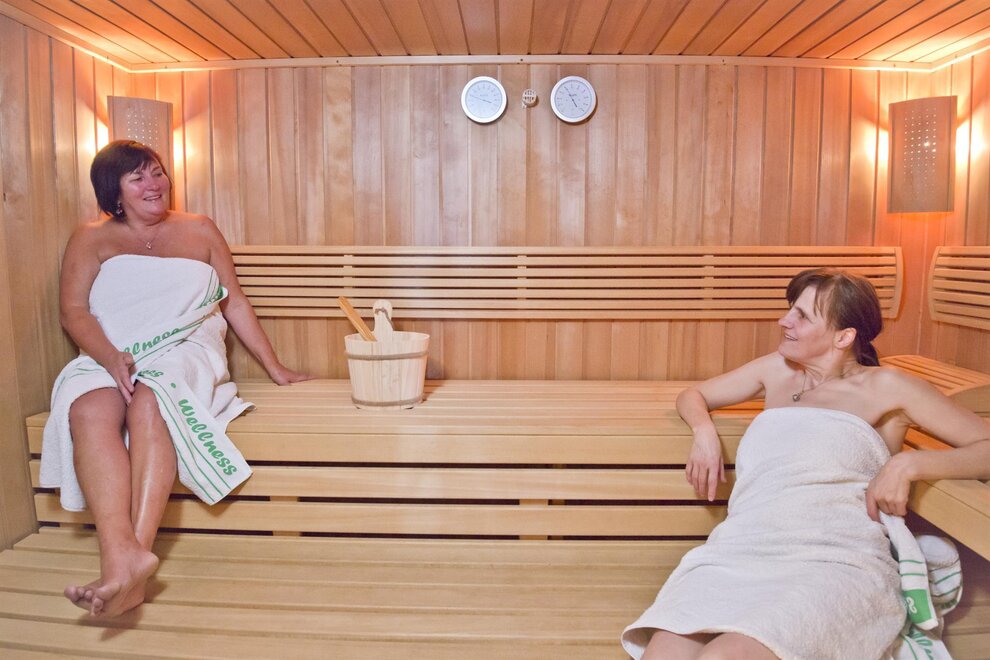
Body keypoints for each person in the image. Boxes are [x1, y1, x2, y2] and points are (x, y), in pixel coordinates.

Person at [622, 268, 990, 659]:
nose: (785, 321)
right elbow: (693, 395)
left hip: (834, 559)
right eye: (790, 310)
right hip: (743, 548)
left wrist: (908, 466)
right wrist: (704, 432)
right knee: (663, 654)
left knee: (723, 656)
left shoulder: (887, 387)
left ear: (843, 337)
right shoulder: (776, 370)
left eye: (802, 316)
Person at [39, 139, 310, 618]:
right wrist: (110, 356)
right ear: (114, 191)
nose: (154, 184)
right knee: (87, 409)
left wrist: (275, 367)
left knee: (153, 400)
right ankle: (122, 561)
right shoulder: (90, 238)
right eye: (138, 177)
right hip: (113, 349)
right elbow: (73, 311)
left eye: (157, 172)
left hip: (187, 347)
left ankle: (130, 560)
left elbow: (233, 301)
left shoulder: (199, 228)